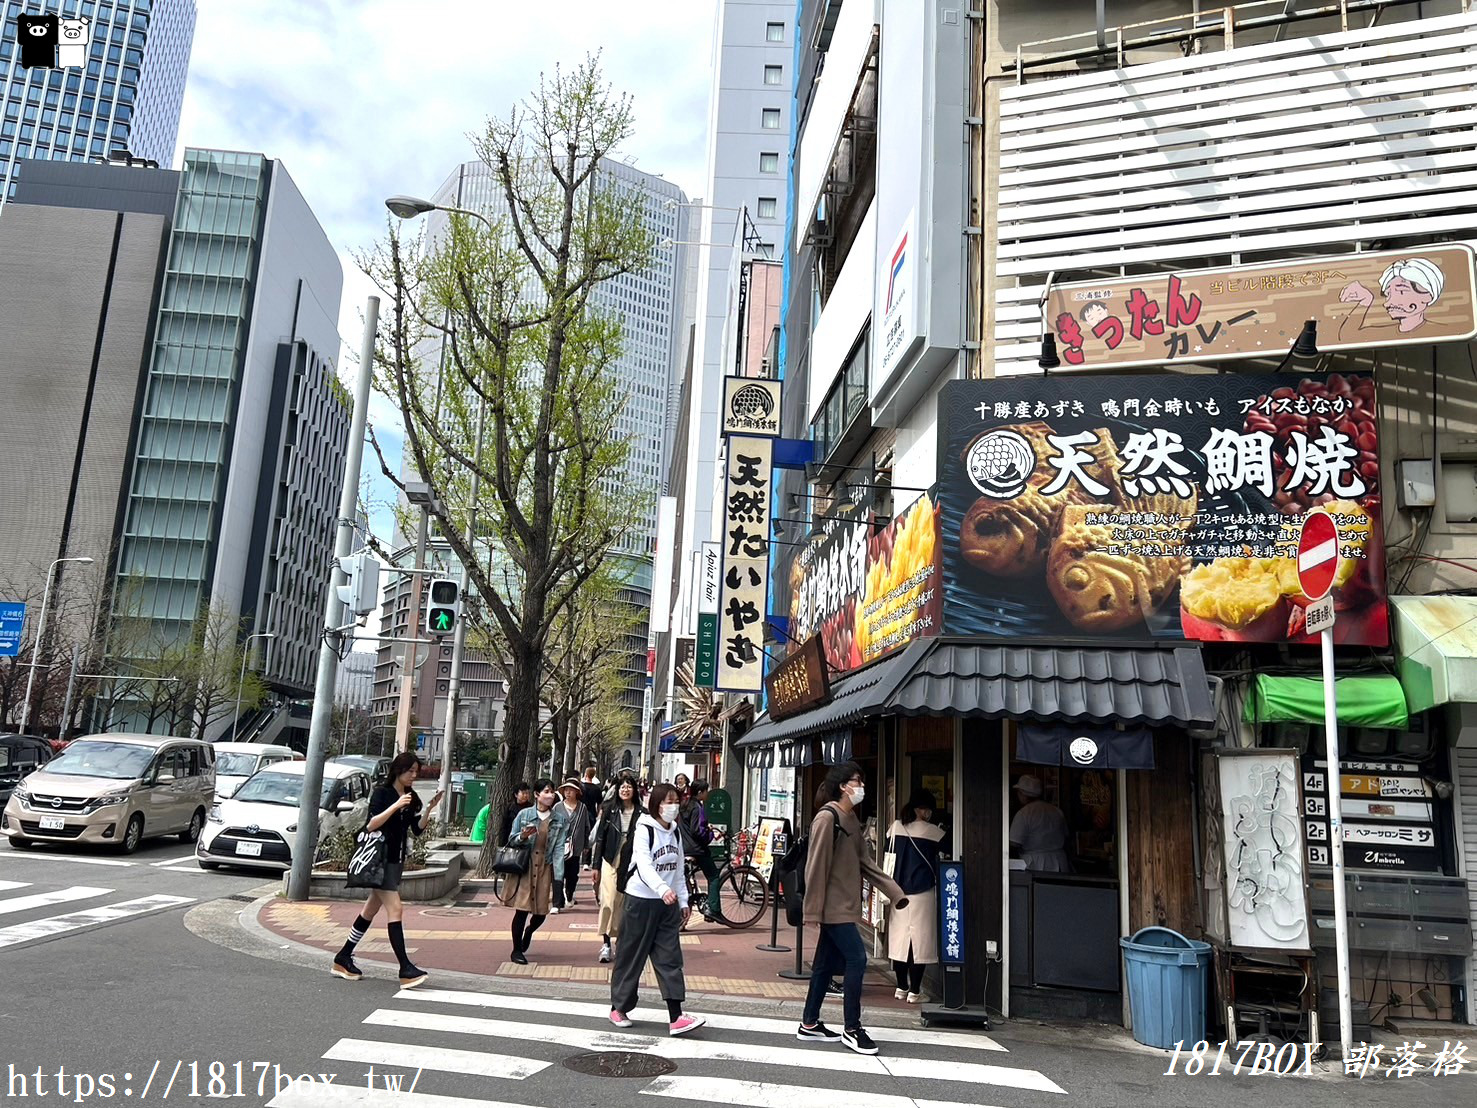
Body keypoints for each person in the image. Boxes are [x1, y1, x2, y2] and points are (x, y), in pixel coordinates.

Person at [796, 762, 907, 1056]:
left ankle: (809, 1023)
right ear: (843, 785)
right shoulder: (827, 818)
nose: (861, 787)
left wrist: (895, 893)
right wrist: (813, 911)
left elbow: (865, 863)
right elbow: (815, 866)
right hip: (834, 908)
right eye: (856, 781)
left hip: (845, 904)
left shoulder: (851, 819)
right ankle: (852, 1028)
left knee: (823, 965)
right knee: (857, 959)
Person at [332, 752, 444, 988]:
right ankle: (405, 968)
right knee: (395, 908)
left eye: (416, 772)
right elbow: (371, 824)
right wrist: (395, 806)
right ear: (398, 770)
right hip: (379, 860)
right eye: (410, 771)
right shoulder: (383, 794)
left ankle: (343, 957)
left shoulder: (411, 797)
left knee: (370, 910)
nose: (414, 776)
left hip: (395, 860)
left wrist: (428, 810)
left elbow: (416, 830)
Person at [608, 782, 706, 1037]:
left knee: (670, 958)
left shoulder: (675, 832)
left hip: (667, 905)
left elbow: (679, 871)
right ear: (656, 804)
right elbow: (644, 865)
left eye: (676, 801)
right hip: (640, 901)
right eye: (667, 801)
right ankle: (618, 1007)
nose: (673, 806)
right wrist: (662, 889)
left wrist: (683, 901)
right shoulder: (644, 829)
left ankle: (676, 1016)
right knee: (631, 956)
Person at [500, 779, 571, 964]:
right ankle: (516, 950)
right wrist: (522, 836)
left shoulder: (560, 820)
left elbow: (558, 848)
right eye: (546, 791)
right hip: (525, 865)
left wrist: (559, 876)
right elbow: (511, 839)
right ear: (537, 795)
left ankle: (529, 931)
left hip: (545, 867)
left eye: (552, 791)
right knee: (522, 910)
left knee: (541, 912)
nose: (551, 795)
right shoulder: (524, 814)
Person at [886, 788, 945, 1003]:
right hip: (923, 893)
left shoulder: (895, 827)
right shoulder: (934, 833)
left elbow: (887, 852)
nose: (929, 813)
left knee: (900, 941)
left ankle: (901, 987)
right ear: (923, 810)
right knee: (920, 943)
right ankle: (915, 991)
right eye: (928, 809)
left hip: (897, 892)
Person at [590, 774, 641, 963]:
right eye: (622, 787)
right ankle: (606, 942)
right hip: (610, 858)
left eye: (629, 786)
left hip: (631, 861)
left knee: (623, 903)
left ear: (634, 790)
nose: (625, 790)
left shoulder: (642, 813)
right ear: (617, 790)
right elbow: (600, 839)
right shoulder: (610, 810)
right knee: (608, 901)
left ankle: (621, 941)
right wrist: (596, 866)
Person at [1009, 775, 1070, 873]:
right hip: (1058, 862)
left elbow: (1014, 843)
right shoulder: (1057, 811)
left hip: (1034, 864)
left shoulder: (1024, 813)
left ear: (1023, 794)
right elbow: (1066, 836)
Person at [679, 779, 722, 920]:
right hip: (696, 849)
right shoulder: (697, 807)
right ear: (700, 792)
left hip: (684, 847)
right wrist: (710, 834)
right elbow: (697, 830)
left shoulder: (685, 804)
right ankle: (713, 910)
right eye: (706, 791)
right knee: (714, 876)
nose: (707, 793)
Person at [552, 778, 592, 912]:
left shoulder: (582, 808)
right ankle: (557, 903)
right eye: (566, 791)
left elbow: (587, 827)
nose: (568, 793)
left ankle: (569, 894)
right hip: (559, 847)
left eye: (571, 791)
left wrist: (587, 845)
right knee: (558, 874)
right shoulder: (557, 807)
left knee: (572, 875)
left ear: (577, 792)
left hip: (575, 848)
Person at [498, 782, 533, 849]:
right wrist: (502, 844)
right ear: (516, 795)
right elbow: (504, 827)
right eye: (523, 793)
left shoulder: (530, 808)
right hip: (510, 841)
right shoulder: (510, 808)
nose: (526, 795)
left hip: (525, 843)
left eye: (527, 793)